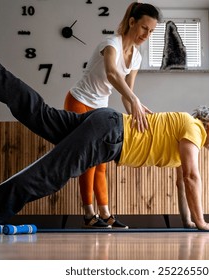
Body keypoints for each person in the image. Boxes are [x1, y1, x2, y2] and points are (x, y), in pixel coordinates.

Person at [0, 49, 209, 231]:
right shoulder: (194, 129)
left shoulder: (188, 135)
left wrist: (191, 222)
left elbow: (183, 183)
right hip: (109, 134)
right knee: (54, 171)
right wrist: (205, 222)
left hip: (106, 124)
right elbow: (192, 177)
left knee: (42, 115)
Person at [63, 2, 161, 229]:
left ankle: (105, 214)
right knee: (88, 160)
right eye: (144, 28)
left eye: (152, 31)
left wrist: (134, 115)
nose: (147, 35)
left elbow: (127, 95)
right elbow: (112, 73)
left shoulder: (136, 57)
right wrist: (135, 100)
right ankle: (89, 215)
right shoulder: (110, 44)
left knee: (102, 162)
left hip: (100, 107)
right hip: (79, 101)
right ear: (132, 22)